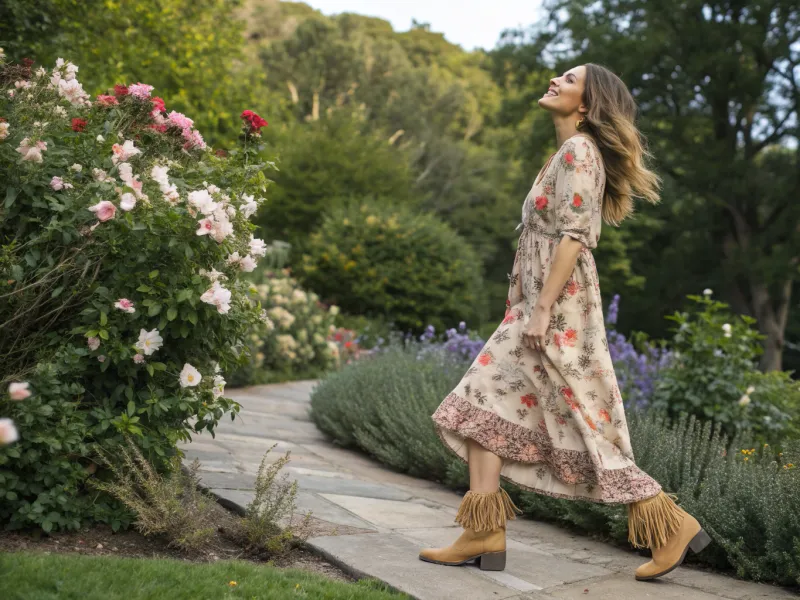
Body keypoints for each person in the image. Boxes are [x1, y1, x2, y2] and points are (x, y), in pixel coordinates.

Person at [418, 63, 711, 581]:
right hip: (539, 305)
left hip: (558, 309)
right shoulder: (564, 153)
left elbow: (574, 237)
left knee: (580, 415)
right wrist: (524, 303)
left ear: (587, 103)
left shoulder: (579, 150)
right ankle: (484, 530)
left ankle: (669, 523)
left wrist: (542, 309)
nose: (556, 79)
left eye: (570, 79)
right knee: (482, 405)